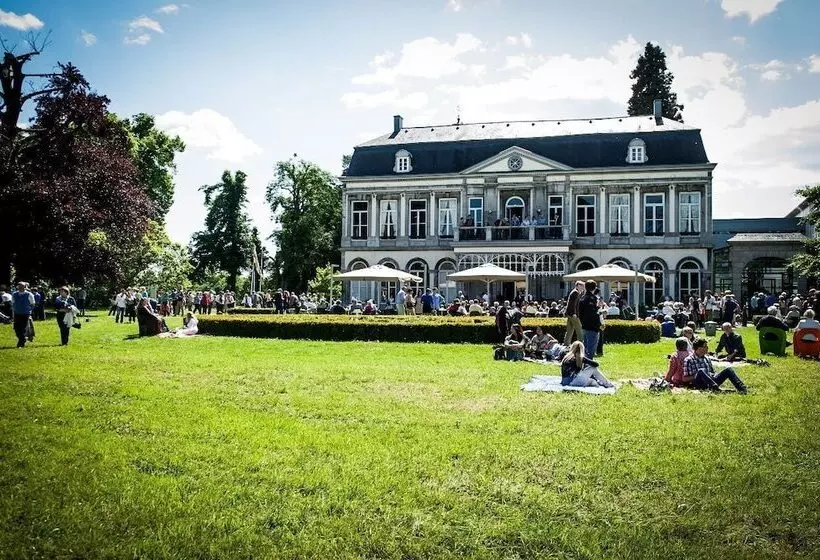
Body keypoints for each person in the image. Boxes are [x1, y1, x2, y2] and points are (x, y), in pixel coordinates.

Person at [578, 280, 602, 360]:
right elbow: (592, 314)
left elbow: (582, 312)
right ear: (594, 288)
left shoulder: (583, 298)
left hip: (584, 324)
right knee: (591, 347)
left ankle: (584, 361)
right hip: (592, 326)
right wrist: (599, 312)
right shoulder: (591, 299)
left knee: (585, 345)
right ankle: (589, 363)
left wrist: (597, 307)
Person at [11, 282, 35, 348]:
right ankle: (23, 339)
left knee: (23, 328)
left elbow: (33, 304)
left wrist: (29, 310)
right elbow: (13, 303)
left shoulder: (29, 294)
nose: (20, 288)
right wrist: (13, 312)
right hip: (17, 313)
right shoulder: (14, 294)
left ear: (25, 287)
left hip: (25, 313)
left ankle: (21, 343)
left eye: (21, 287)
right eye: (19, 286)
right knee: (16, 327)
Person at [563, 281, 584, 346]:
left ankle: (566, 344)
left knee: (570, 330)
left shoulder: (575, 292)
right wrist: (574, 313)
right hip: (572, 314)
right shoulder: (576, 293)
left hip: (569, 313)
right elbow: (573, 304)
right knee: (579, 329)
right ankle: (581, 344)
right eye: (581, 286)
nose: (583, 287)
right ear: (577, 285)